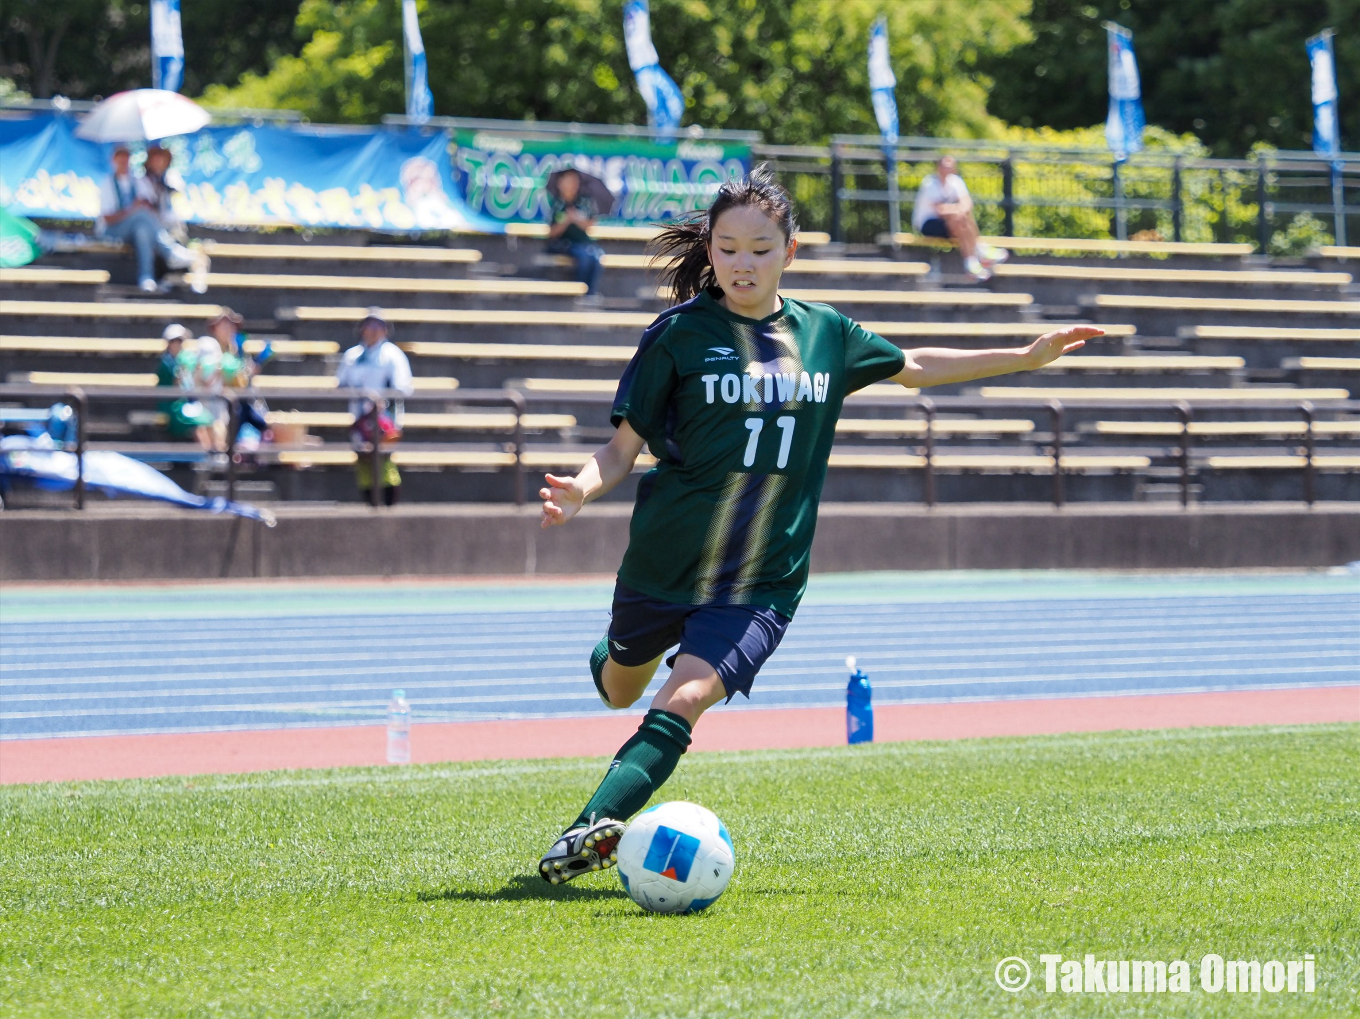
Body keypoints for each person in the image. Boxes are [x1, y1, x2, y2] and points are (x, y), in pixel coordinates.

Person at [533, 165, 1101, 883]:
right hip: (666, 560)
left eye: (760, 249)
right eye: (727, 248)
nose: (742, 263)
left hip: (764, 577)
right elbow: (621, 450)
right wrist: (580, 490)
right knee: (620, 688)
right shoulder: (677, 335)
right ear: (709, 249)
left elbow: (914, 365)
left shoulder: (826, 331)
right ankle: (611, 655)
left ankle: (584, 834)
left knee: (689, 694)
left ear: (789, 252)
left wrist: (1023, 357)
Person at [335, 308, 414, 506]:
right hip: (359, 416)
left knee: (383, 459)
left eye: (378, 326)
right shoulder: (352, 355)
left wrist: (381, 401)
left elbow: (403, 387)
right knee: (363, 459)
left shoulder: (393, 355)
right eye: (369, 325)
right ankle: (370, 502)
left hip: (385, 419)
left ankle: (388, 502)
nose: (373, 330)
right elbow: (340, 383)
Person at [95, 145, 192, 293]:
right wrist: (133, 209)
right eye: (120, 159)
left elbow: (150, 207)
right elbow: (107, 218)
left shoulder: (138, 181)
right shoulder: (107, 183)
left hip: (137, 229)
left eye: (126, 158)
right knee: (140, 214)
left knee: (142, 230)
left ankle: (146, 278)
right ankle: (169, 251)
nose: (123, 162)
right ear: (113, 161)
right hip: (112, 230)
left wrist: (143, 206)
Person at [912, 155, 1008, 281]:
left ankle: (972, 262)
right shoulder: (930, 183)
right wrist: (958, 209)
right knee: (957, 217)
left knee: (961, 217)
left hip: (951, 224)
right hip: (928, 224)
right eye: (944, 166)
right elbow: (940, 210)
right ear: (938, 167)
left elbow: (967, 204)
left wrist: (958, 210)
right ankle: (978, 250)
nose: (947, 169)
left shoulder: (955, 182)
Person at [200, 308, 272, 449]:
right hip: (215, 401)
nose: (228, 330)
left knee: (262, 424)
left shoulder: (238, 351)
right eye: (224, 326)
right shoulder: (209, 349)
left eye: (231, 326)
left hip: (239, 402)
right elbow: (206, 380)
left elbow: (243, 381)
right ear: (215, 329)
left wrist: (249, 372)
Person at [154, 324, 216, 450]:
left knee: (208, 420)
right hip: (172, 404)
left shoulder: (182, 360)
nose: (177, 344)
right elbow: (176, 383)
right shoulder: (167, 363)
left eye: (180, 341)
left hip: (185, 402)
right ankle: (207, 453)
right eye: (174, 341)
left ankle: (216, 452)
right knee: (198, 425)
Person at [545, 169, 604, 299]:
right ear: (560, 183)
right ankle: (580, 293)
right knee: (584, 258)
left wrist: (576, 219)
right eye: (568, 181)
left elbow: (590, 224)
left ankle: (590, 293)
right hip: (563, 244)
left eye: (574, 181)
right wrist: (566, 221)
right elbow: (551, 233)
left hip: (583, 243)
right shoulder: (556, 204)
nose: (572, 184)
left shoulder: (583, 202)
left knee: (596, 257)